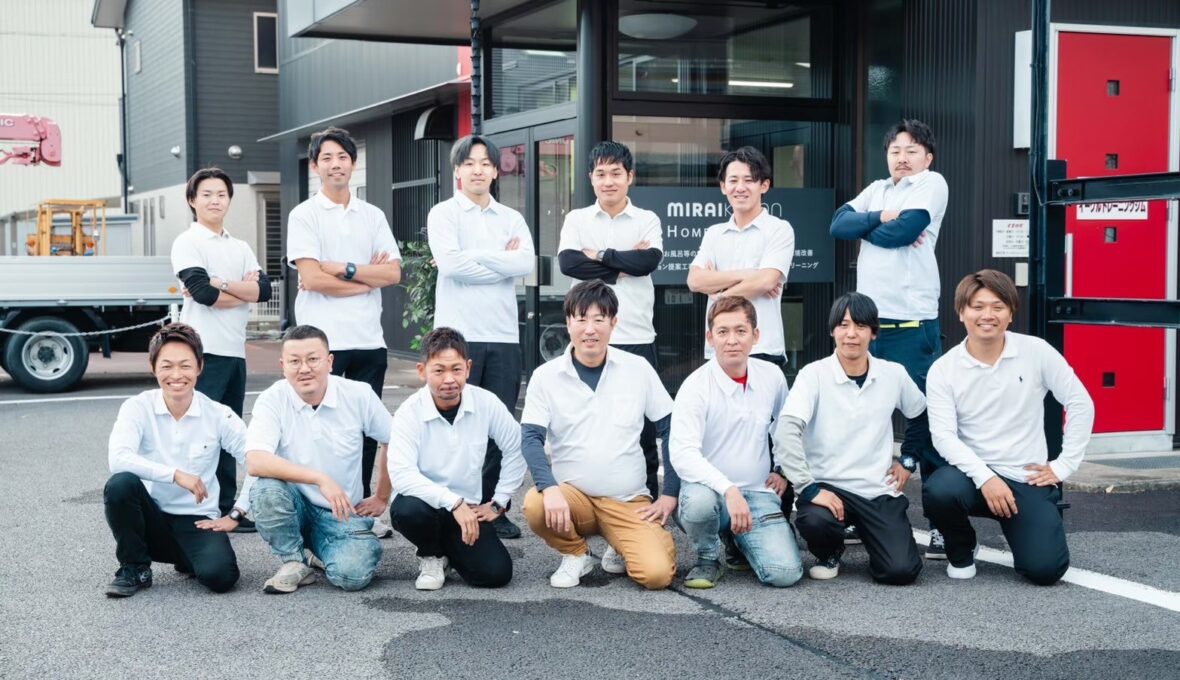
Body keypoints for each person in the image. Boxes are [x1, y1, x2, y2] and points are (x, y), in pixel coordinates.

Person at [923, 270, 1094, 585]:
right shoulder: (943, 369)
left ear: (1011, 313)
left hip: (1025, 476)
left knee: (1046, 570)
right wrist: (986, 477)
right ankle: (962, 549)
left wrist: (1063, 465)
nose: (987, 315)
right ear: (961, 312)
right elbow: (944, 437)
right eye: (977, 306)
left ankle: (1026, 531)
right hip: (972, 478)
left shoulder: (1036, 351)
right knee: (940, 490)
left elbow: (1081, 402)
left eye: (998, 306)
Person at [829, 119, 949, 555]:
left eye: (912, 150)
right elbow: (838, 225)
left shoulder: (931, 184)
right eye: (895, 150)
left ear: (927, 157)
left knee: (927, 421)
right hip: (869, 326)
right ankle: (857, 512)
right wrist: (879, 217)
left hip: (912, 325)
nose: (902, 157)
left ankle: (941, 524)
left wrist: (869, 227)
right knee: (858, 420)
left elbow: (905, 232)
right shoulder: (878, 190)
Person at [521, 280, 680, 590]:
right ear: (568, 323)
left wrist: (670, 492)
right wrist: (549, 488)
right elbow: (530, 438)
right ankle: (576, 553)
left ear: (614, 322)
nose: (590, 329)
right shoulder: (545, 377)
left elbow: (670, 427)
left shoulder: (638, 368)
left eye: (599, 319)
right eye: (581, 319)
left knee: (657, 575)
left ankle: (620, 542)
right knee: (535, 503)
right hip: (573, 499)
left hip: (628, 500)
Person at [286, 127, 402, 538]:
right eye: (327, 158)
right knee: (322, 429)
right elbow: (312, 279)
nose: (336, 164)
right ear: (315, 166)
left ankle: (361, 508)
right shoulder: (304, 215)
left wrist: (344, 268)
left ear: (353, 163)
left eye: (343, 157)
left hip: (368, 340)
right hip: (323, 342)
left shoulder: (372, 215)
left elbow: (393, 273)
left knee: (365, 429)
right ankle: (321, 510)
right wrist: (366, 280)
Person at [557, 140, 664, 572]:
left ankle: (641, 522)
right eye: (600, 173)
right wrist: (621, 262)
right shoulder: (577, 219)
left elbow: (647, 262)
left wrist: (599, 255)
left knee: (643, 435)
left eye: (616, 173)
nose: (608, 181)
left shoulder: (648, 219)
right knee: (588, 431)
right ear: (591, 178)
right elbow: (568, 264)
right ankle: (586, 527)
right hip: (590, 338)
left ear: (630, 177)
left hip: (636, 336)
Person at [775, 293, 926, 585]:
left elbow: (921, 416)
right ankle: (829, 551)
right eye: (843, 325)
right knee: (815, 520)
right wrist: (808, 488)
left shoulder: (893, 374)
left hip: (876, 489)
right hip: (828, 486)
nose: (851, 334)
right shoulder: (813, 375)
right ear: (833, 331)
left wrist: (908, 460)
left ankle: (874, 537)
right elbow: (787, 431)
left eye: (860, 325)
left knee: (901, 571)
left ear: (873, 332)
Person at [427, 134, 535, 540]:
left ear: (495, 171)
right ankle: (451, 505)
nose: (478, 170)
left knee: (497, 425)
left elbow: (525, 263)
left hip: (503, 334)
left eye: (485, 163)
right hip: (457, 336)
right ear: (457, 170)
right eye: (469, 163)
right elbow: (451, 267)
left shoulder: (511, 218)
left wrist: (472, 256)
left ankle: (494, 507)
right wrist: (501, 261)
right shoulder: (443, 214)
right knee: (454, 423)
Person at [103, 323, 251, 597]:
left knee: (221, 577)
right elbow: (118, 458)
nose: (176, 375)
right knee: (121, 484)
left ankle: (187, 557)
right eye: (167, 366)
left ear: (200, 367)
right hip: (150, 517)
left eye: (185, 365)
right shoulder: (137, 407)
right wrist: (175, 475)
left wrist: (237, 513)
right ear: (153, 367)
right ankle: (134, 567)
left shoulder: (219, 414)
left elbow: (258, 463)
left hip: (197, 520)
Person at [245, 325, 393, 594]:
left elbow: (393, 440)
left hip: (341, 512)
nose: (304, 368)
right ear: (283, 366)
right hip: (295, 505)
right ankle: (294, 561)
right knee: (266, 490)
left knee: (352, 575)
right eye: (295, 361)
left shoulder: (358, 394)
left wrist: (382, 496)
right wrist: (319, 479)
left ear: (330, 361)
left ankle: (317, 550)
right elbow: (256, 460)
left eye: (313, 359)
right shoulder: (272, 399)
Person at [670, 295, 801, 589]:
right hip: (712, 494)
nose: (732, 340)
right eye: (723, 332)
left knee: (784, 573)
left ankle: (736, 540)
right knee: (699, 505)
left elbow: (785, 427)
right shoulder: (695, 386)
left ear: (755, 335)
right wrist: (728, 490)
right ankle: (708, 557)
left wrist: (782, 469)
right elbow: (683, 454)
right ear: (710, 338)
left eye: (741, 331)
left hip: (758, 494)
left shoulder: (772, 376)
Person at [387, 327, 526, 591]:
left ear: (468, 368)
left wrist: (499, 502)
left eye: (456, 369)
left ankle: (448, 551)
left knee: (495, 574)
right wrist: (453, 502)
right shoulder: (409, 412)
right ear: (422, 371)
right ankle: (431, 554)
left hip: (468, 510)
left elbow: (516, 446)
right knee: (407, 510)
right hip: (425, 505)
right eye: (439, 370)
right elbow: (402, 475)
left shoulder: (486, 402)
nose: (449, 379)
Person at [170, 167, 270, 530]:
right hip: (203, 353)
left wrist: (221, 284)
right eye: (207, 194)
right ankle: (193, 507)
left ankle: (228, 508)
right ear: (192, 200)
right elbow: (203, 294)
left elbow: (264, 291)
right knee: (199, 433)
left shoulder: (240, 247)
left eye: (222, 194)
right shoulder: (187, 242)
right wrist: (239, 291)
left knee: (229, 431)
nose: (215, 200)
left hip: (234, 353)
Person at [687, 146, 795, 367]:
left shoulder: (779, 229)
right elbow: (695, 281)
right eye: (733, 180)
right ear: (723, 187)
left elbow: (765, 282)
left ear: (764, 185)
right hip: (719, 348)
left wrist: (718, 295)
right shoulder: (714, 233)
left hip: (763, 348)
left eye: (749, 180)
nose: (740, 188)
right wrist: (749, 274)